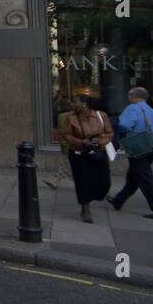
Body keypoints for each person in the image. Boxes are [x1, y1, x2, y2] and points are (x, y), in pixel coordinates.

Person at [108, 86, 153, 220]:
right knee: (133, 177)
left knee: (146, 181)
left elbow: (125, 125)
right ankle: (118, 200)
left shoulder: (132, 108)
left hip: (138, 148)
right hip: (151, 148)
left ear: (132, 96)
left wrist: (116, 124)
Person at [60, 94, 112, 222]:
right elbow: (67, 135)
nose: (72, 104)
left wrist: (99, 141)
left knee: (105, 181)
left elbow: (109, 133)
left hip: (97, 152)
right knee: (82, 181)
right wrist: (81, 142)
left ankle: (97, 195)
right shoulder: (70, 118)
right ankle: (85, 209)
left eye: (75, 102)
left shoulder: (101, 116)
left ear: (84, 104)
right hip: (79, 153)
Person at [43, 97, 76, 190]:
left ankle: (56, 181)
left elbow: (62, 132)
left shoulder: (63, 116)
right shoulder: (73, 115)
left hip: (70, 145)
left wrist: (64, 145)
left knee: (66, 164)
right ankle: (56, 181)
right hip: (73, 144)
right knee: (67, 164)